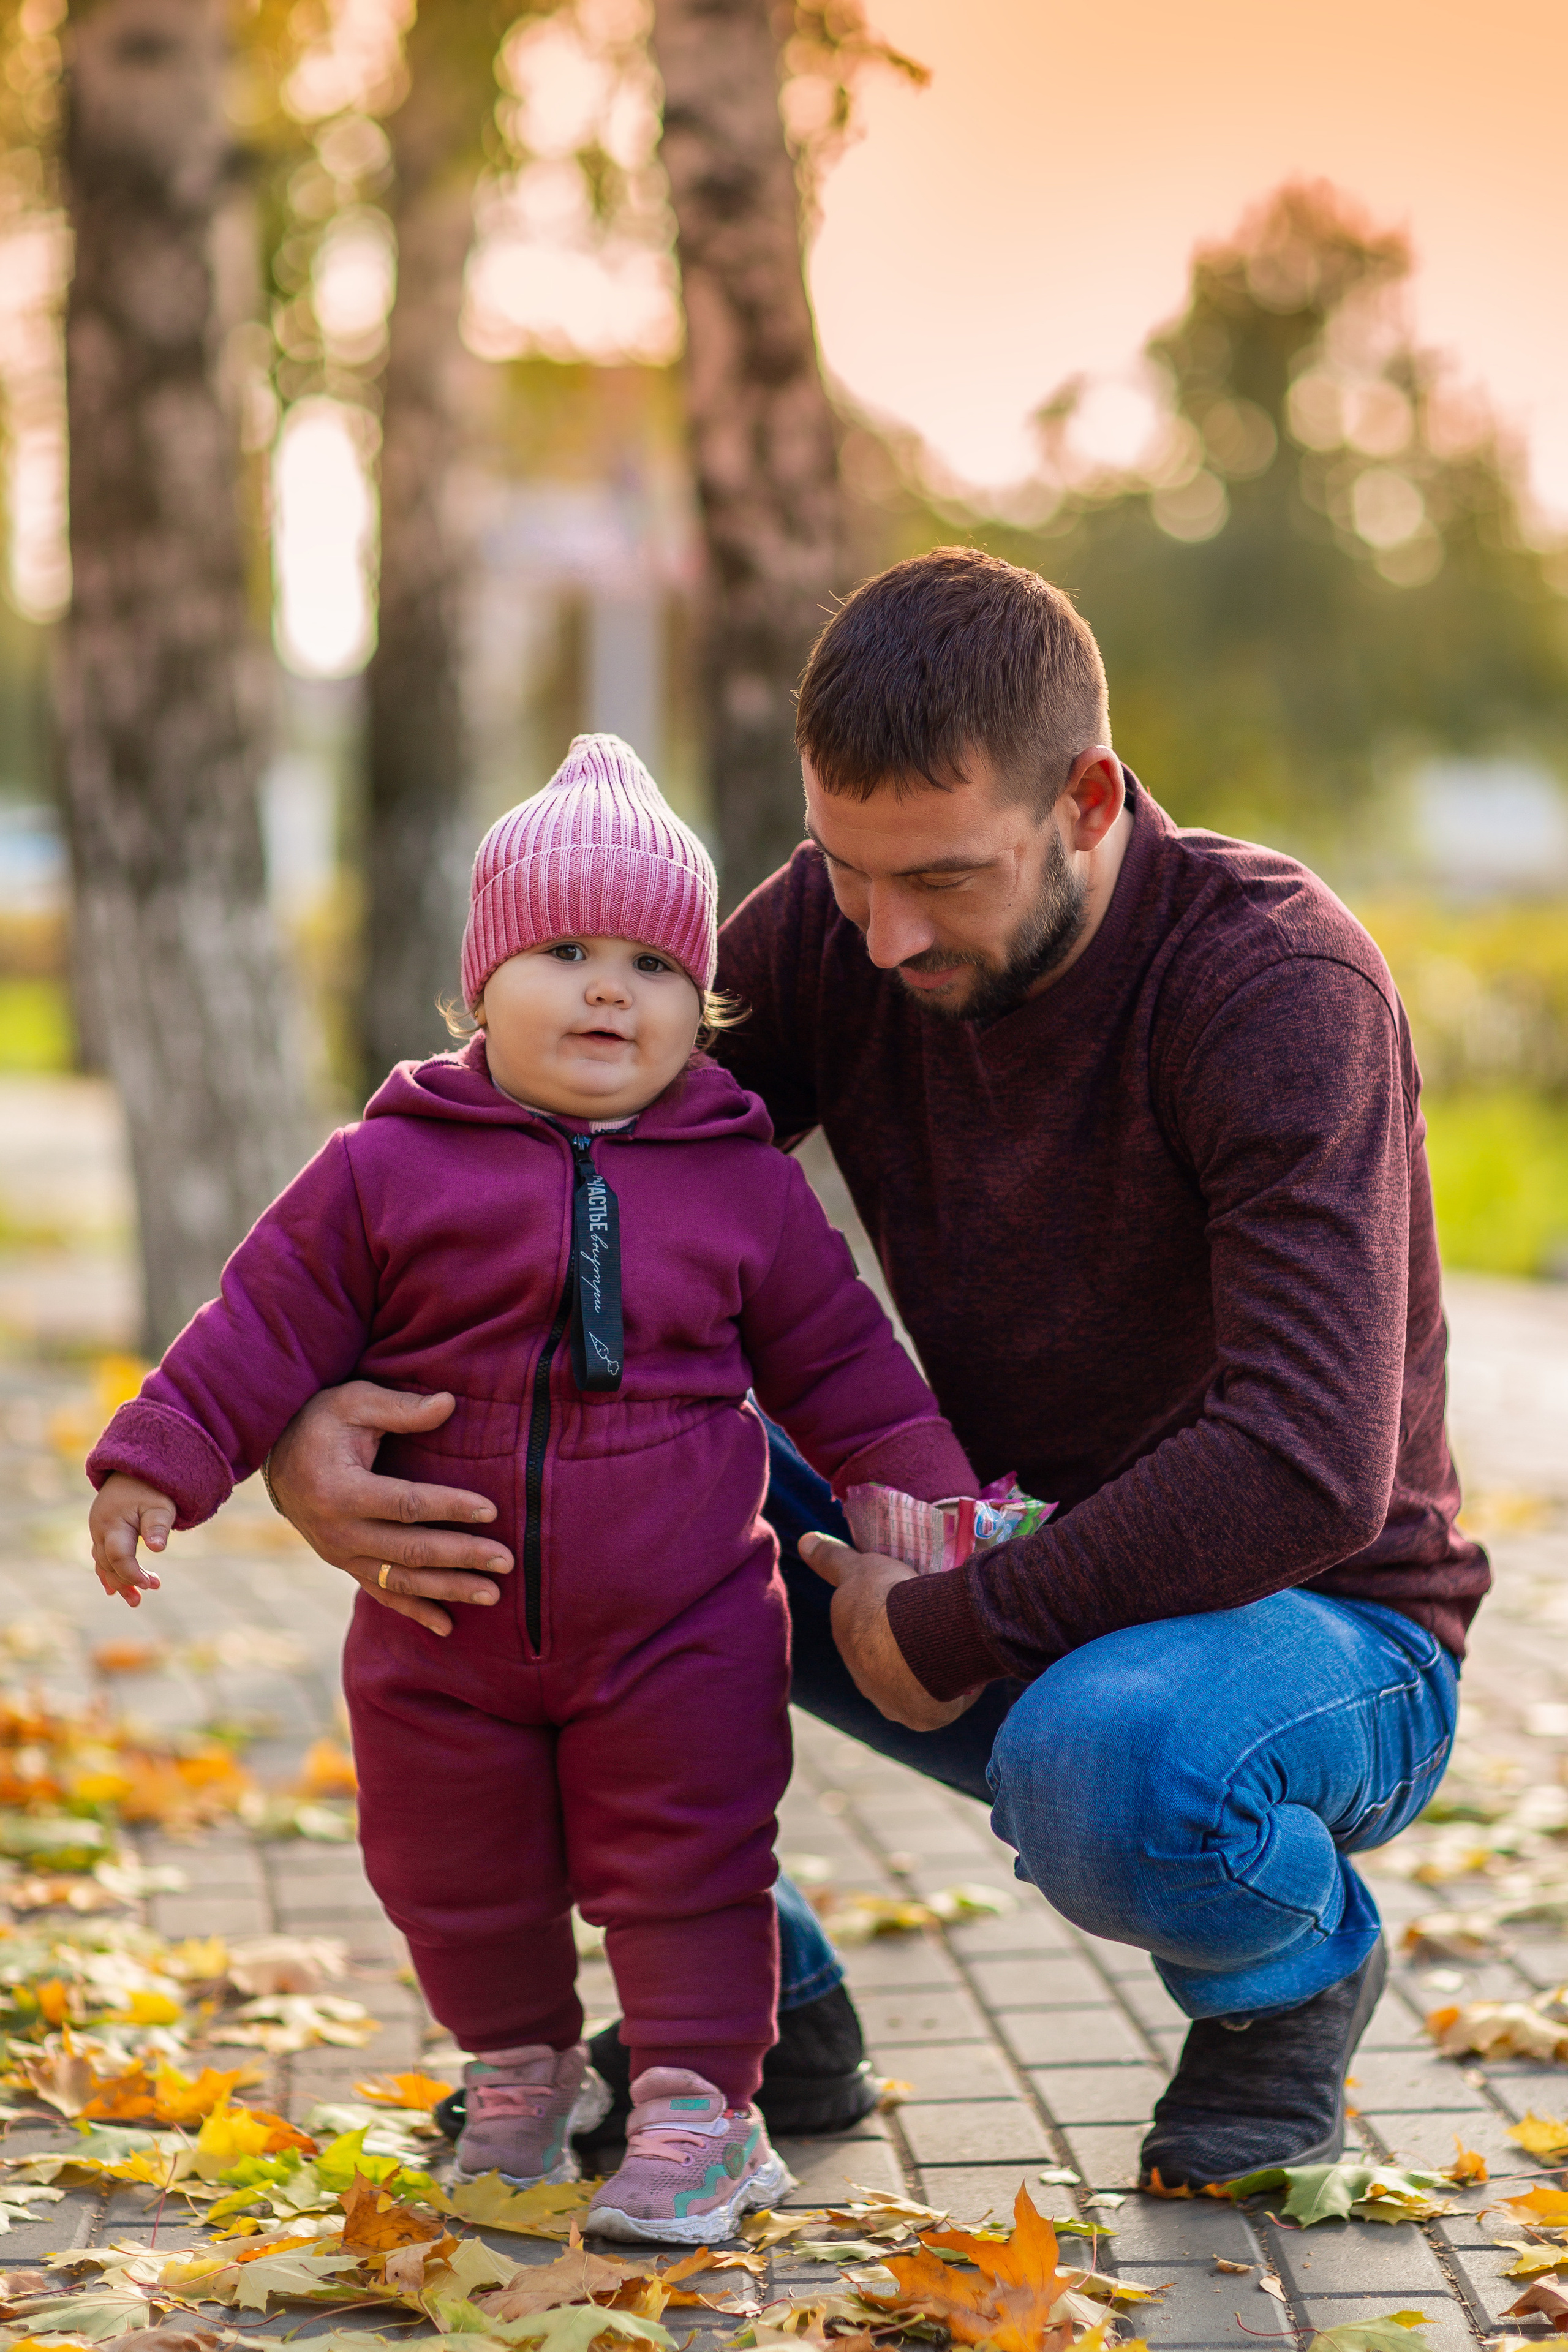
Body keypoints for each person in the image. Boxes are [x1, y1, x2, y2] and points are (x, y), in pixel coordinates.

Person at [263, 551, 1488, 2194]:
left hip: (1312, 1624)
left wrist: (962, 1623)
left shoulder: (1273, 987)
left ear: (1090, 801)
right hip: (964, 1552)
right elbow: (551, 1166)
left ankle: (1291, 1986)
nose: (884, 933)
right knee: (529, 1512)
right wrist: (319, 1415)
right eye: (845, 871)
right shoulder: (851, 928)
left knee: (1109, 1765)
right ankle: (759, 2018)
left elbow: (1307, 1459)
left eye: (945, 881)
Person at [82, 733, 979, 2242]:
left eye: (651, 963)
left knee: (692, 1860)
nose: (609, 989)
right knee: (451, 1867)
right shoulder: (382, 1168)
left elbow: (845, 1362)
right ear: (478, 984)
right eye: (563, 951)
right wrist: (155, 1460)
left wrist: (922, 1494)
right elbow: (260, 1325)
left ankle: (701, 2113)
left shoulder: (737, 1176)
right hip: (444, 1621)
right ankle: (517, 2073)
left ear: (701, 1005)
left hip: (682, 1620)